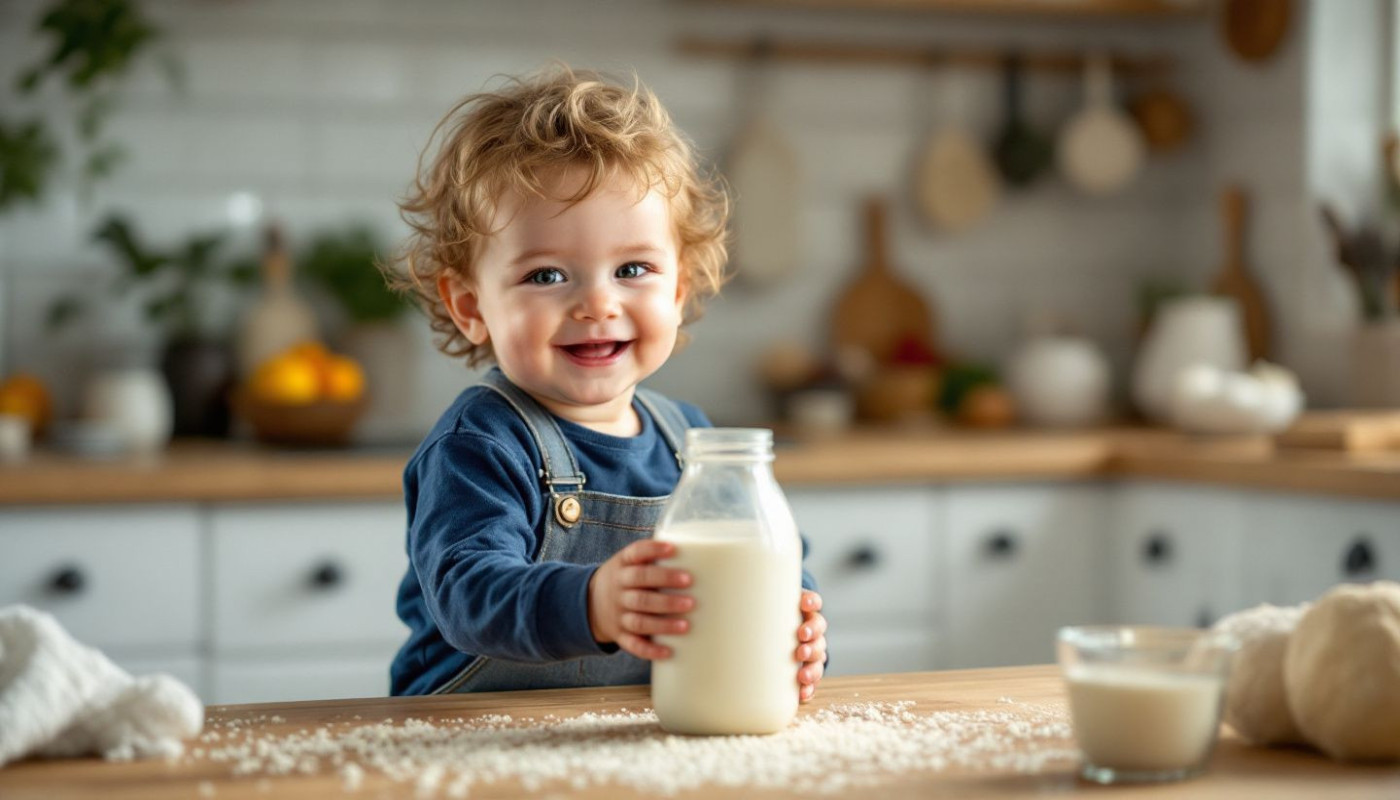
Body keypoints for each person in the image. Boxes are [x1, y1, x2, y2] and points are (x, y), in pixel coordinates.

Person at [384, 65, 827, 700]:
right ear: (471, 306)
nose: (597, 304)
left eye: (633, 268)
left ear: (677, 292)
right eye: (546, 276)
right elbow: (465, 591)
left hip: (623, 734)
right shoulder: (480, 443)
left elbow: (775, 557)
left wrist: (795, 621)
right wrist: (592, 602)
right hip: (461, 738)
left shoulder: (694, 442)